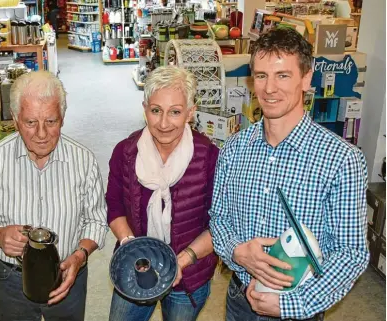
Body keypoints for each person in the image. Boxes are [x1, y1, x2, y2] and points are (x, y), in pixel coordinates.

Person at [209, 27, 369, 321]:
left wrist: (293, 305)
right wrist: (236, 251)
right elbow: (218, 218)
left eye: (282, 75)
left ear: (306, 79)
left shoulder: (341, 159)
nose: (269, 89)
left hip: (298, 308)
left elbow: (351, 253)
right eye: (261, 75)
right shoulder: (233, 149)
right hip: (239, 300)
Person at [0, 71, 108, 321]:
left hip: (67, 274)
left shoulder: (83, 161)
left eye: (51, 121)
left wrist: (80, 256)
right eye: (30, 122)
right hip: (11, 279)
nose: (41, 134)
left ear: (62, 118)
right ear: (15, 119)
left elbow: (96, 221)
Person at [106, 66, 219, 321]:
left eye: (175, 112)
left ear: (190, 113)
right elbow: (114, 205)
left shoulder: (209, 157)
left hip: (189, 275)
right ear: (145, 109)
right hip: (135, 267)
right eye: (156, 111)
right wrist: (130, 247)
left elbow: (220, 223)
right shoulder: (125, 152)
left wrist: (183, 260)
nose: (164, 123)